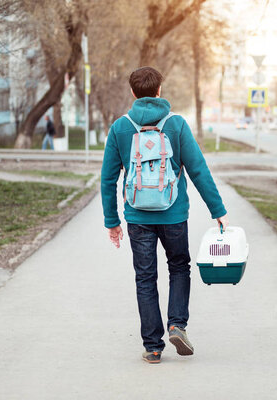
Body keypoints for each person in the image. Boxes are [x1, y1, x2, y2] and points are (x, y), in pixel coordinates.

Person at [100, 66, 228, 364]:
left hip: (137, 216)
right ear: (160, 90)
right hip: (173, 214)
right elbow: (197, 169)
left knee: (145, 277)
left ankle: (153, 347)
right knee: (179, 267)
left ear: (133, 93)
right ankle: (177, 325)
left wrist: (112, 221)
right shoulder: (176, 124)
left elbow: (108, 178)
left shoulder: (121, 127)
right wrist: (217, 210)